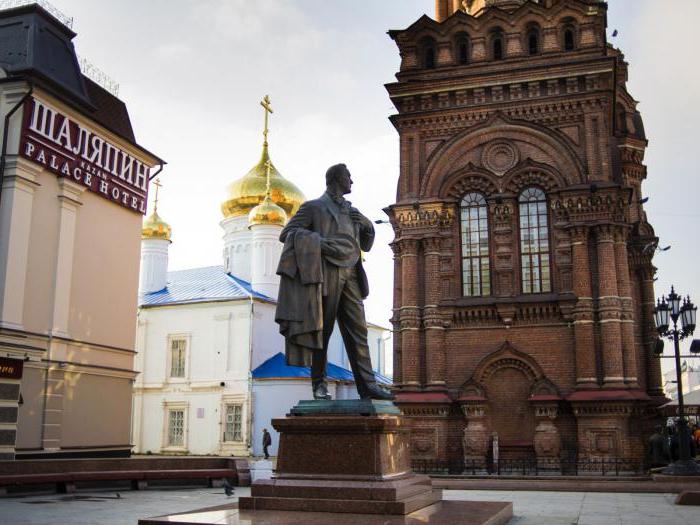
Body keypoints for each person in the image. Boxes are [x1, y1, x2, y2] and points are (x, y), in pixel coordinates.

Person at [276, 163, 393, 401]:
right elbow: (287, 234)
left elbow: (366, 245)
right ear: (337, 179)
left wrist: (368, 225)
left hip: (351, 275)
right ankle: (319, 384)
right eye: (349, 176)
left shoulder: (352, 212)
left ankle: (367, 386)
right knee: (323, 330)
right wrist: (319, 242)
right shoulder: (313, 207)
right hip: (325, 273)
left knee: (358, 332)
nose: (352, 181)